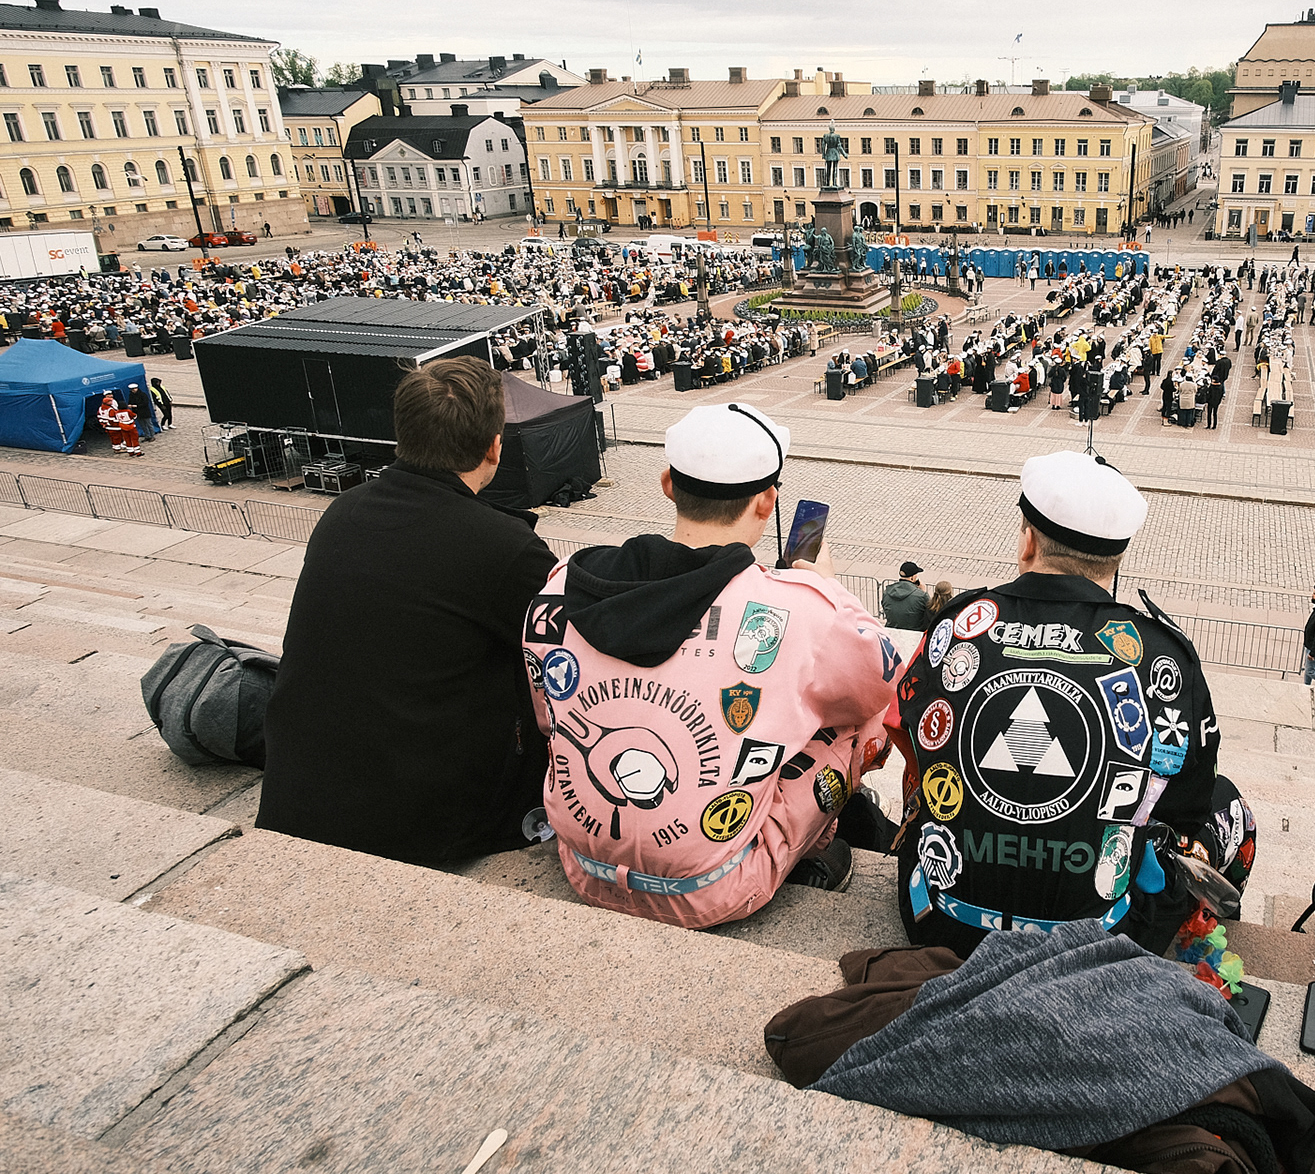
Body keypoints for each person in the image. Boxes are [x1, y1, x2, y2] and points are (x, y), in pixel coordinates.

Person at [523, 403, 900, 928]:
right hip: (714, 887)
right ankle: (818, 840)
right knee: (859, 714)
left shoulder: (562, 584)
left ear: (666, 485)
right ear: (768, 502)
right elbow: (878, 685)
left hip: (583, 864)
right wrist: (830, 591)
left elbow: (549, 717)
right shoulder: (802, 609)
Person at [890, 451, 1254, 958]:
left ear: (1028, 540)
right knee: (1229, 804)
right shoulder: (1163, 651)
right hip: (1102, 939)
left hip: (943, 924)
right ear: (1118, 558)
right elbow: (1185, 806)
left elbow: (909, 728)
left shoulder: (957, 624)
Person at [258, 357, 558, 863]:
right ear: (493, 446)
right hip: (416, 820)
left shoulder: (342, 511)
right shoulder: (504, 547)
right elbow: (570, 654)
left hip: (301, 791)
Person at [882, 561, 934, 631]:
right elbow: (931, 611)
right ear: (912, 578)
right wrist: (923, 591)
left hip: (892, 631)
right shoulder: (921, 596)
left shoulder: (887, 593)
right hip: (915, 633)